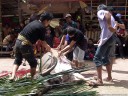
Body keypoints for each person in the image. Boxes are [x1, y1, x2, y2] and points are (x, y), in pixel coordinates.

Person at [9, 12, 53, 80]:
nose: (49, 23)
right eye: (49, 21)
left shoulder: (34, 22)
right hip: (25, 44)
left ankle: (12, 76)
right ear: (46, 20)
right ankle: (33, 80)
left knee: (18, 60)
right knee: (33, 63)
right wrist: (50, 49)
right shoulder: (42, 27)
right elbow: (43, 42)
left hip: (17, 42)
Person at [93, 4, 118, 85]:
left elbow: (106, 14)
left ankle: (99, 80)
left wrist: (109, 25)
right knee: (105, 58)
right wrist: (101, 38)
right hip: (111, 38)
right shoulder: (112, 16)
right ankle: (109, 77)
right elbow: (107, 28)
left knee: (97, 58)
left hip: (107, 39)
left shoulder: (102, 11)